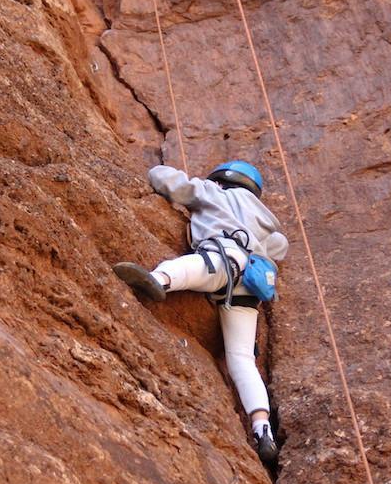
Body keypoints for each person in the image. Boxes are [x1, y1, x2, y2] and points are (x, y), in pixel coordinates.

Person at [114, 160, 288, 467]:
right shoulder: (265, 220)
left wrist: (161, 171)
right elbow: (279, 246)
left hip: (225, 256)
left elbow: (167, 180)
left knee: (197, 266)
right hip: (250, 285)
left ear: (223, 180)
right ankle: (263, 430)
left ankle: (159, 280)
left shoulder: (214, 192)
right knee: (242, 360)